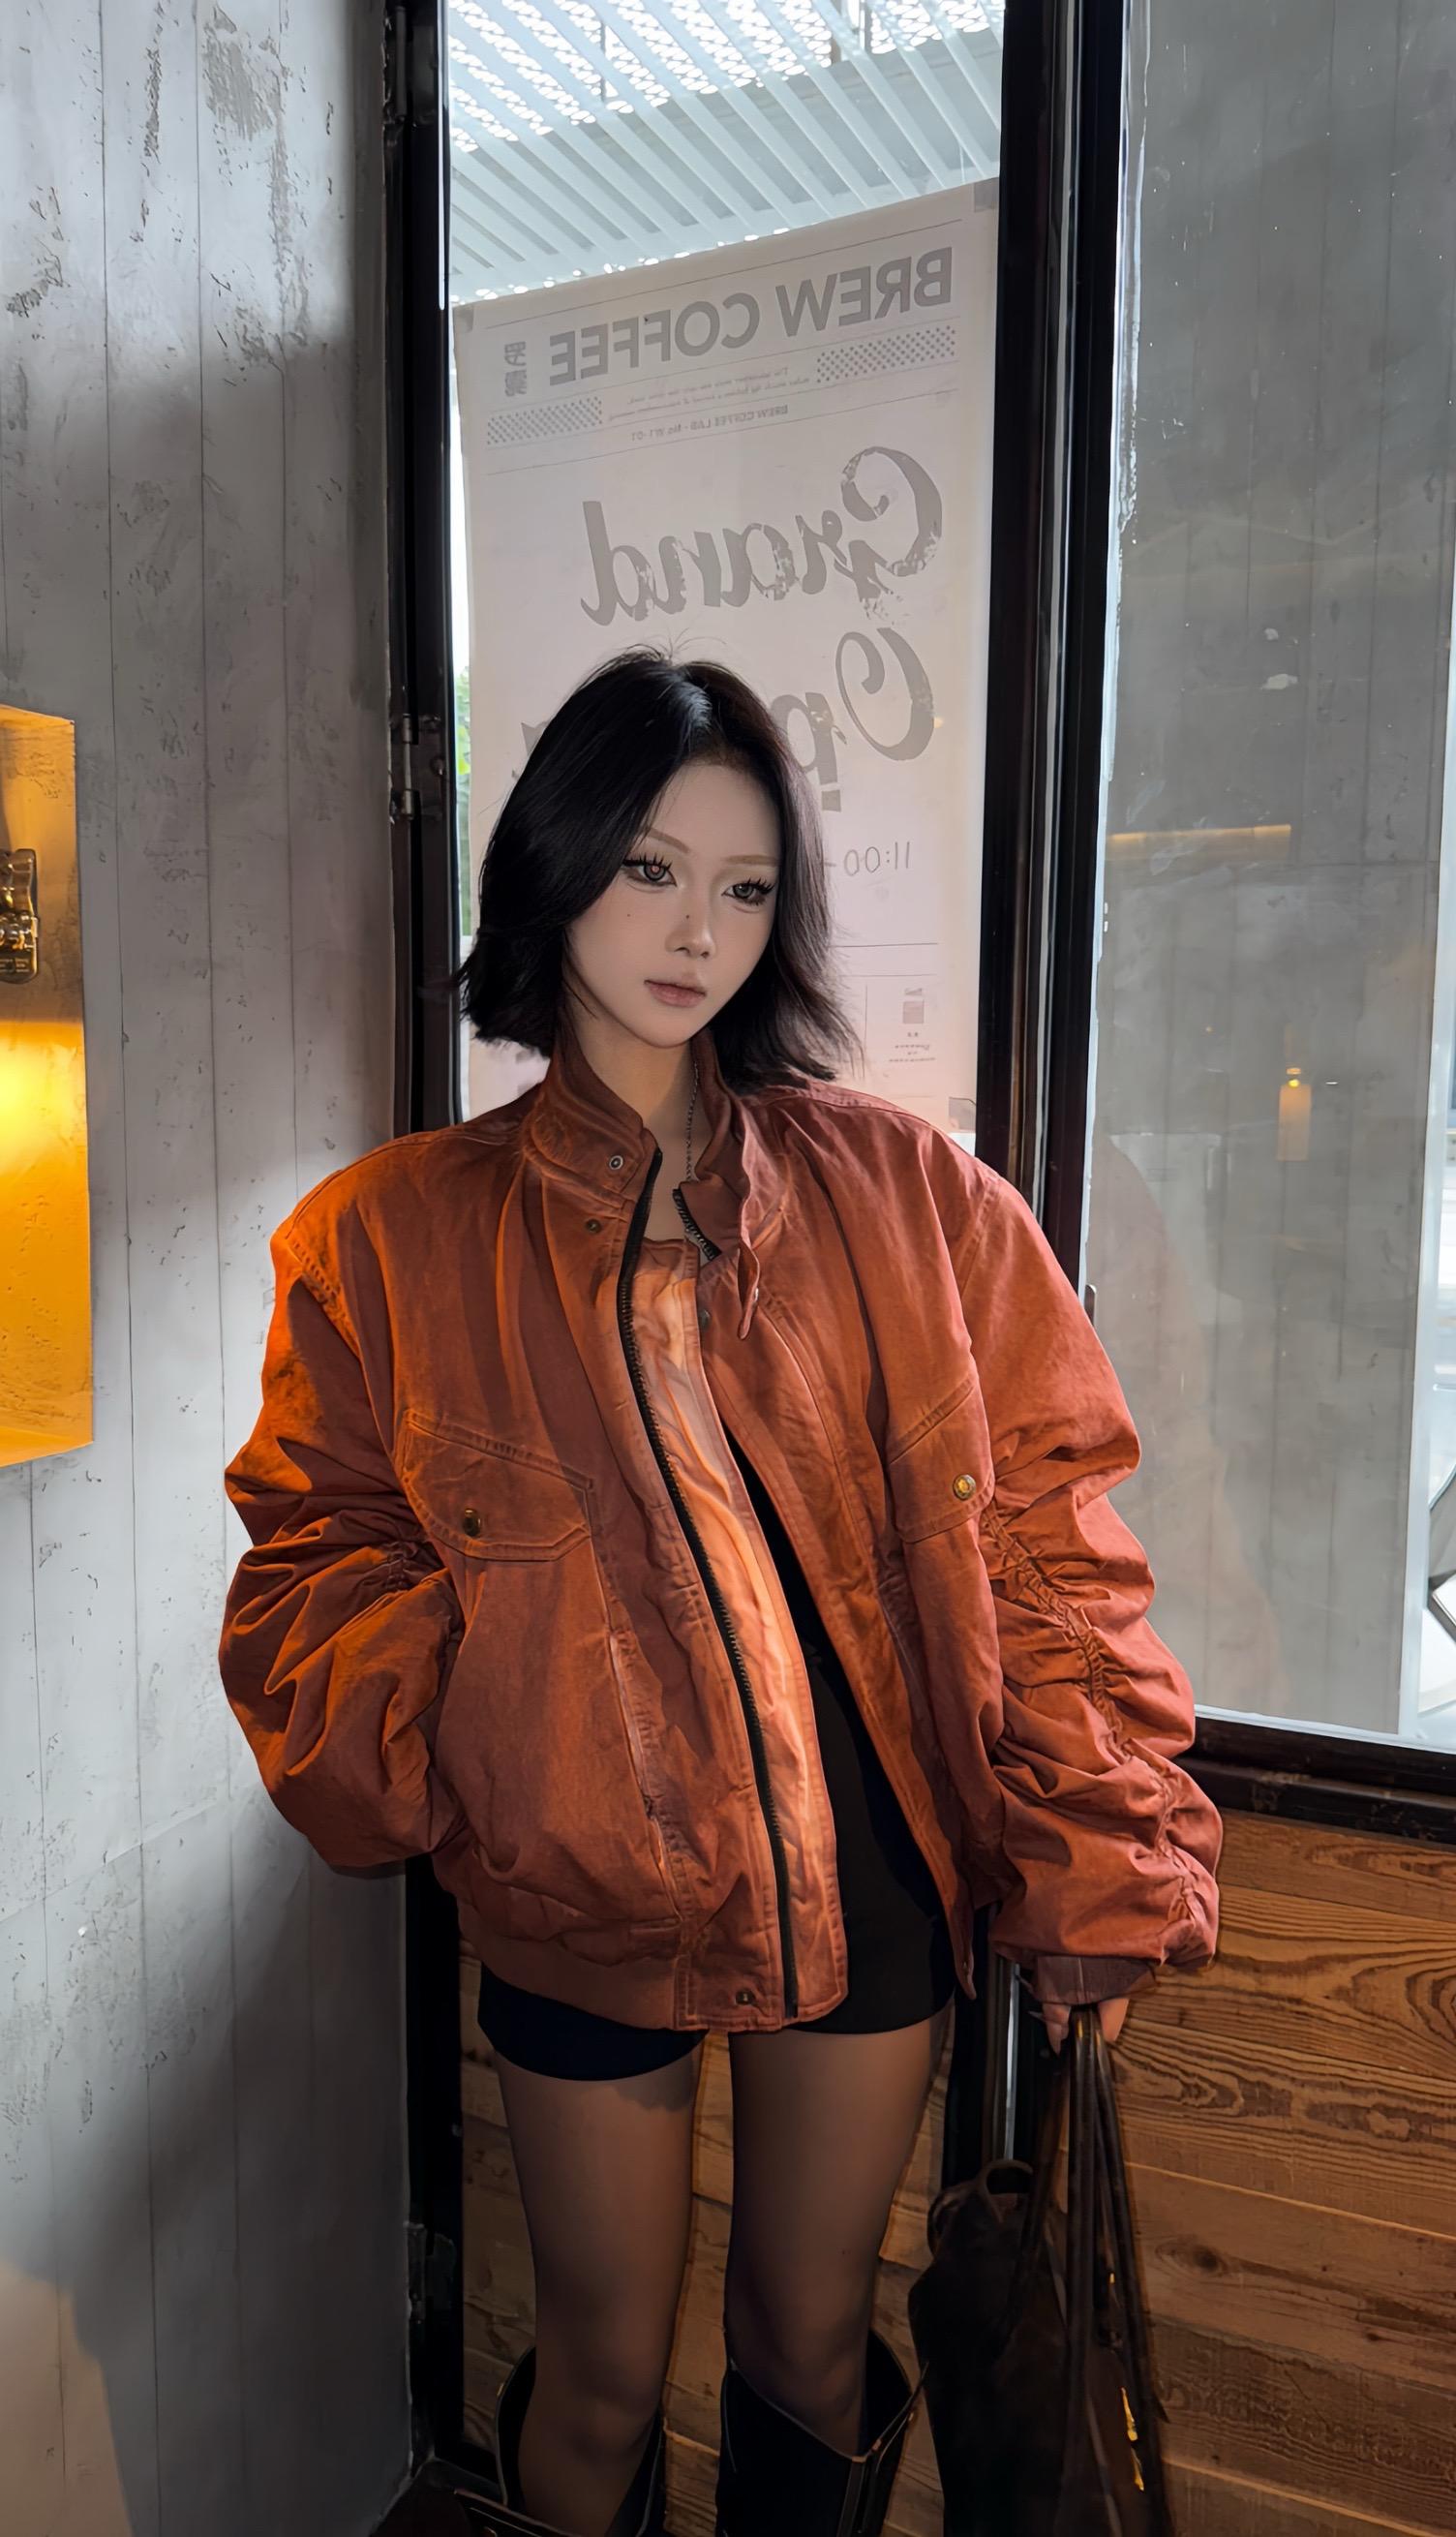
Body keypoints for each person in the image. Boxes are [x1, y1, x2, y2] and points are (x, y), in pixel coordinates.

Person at [218, 649, 1222, 2537]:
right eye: (650, 869)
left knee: (809, 2338)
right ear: (557, 867)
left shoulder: (904, 1193)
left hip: (871, 1873)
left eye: (746, 887)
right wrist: (480, 1749)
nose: (698, 932)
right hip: (585, 1889)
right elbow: (316, 1557)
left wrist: (1100, 1845)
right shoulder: (392, 1234)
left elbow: (1046, 1531)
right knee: (600, 2372)